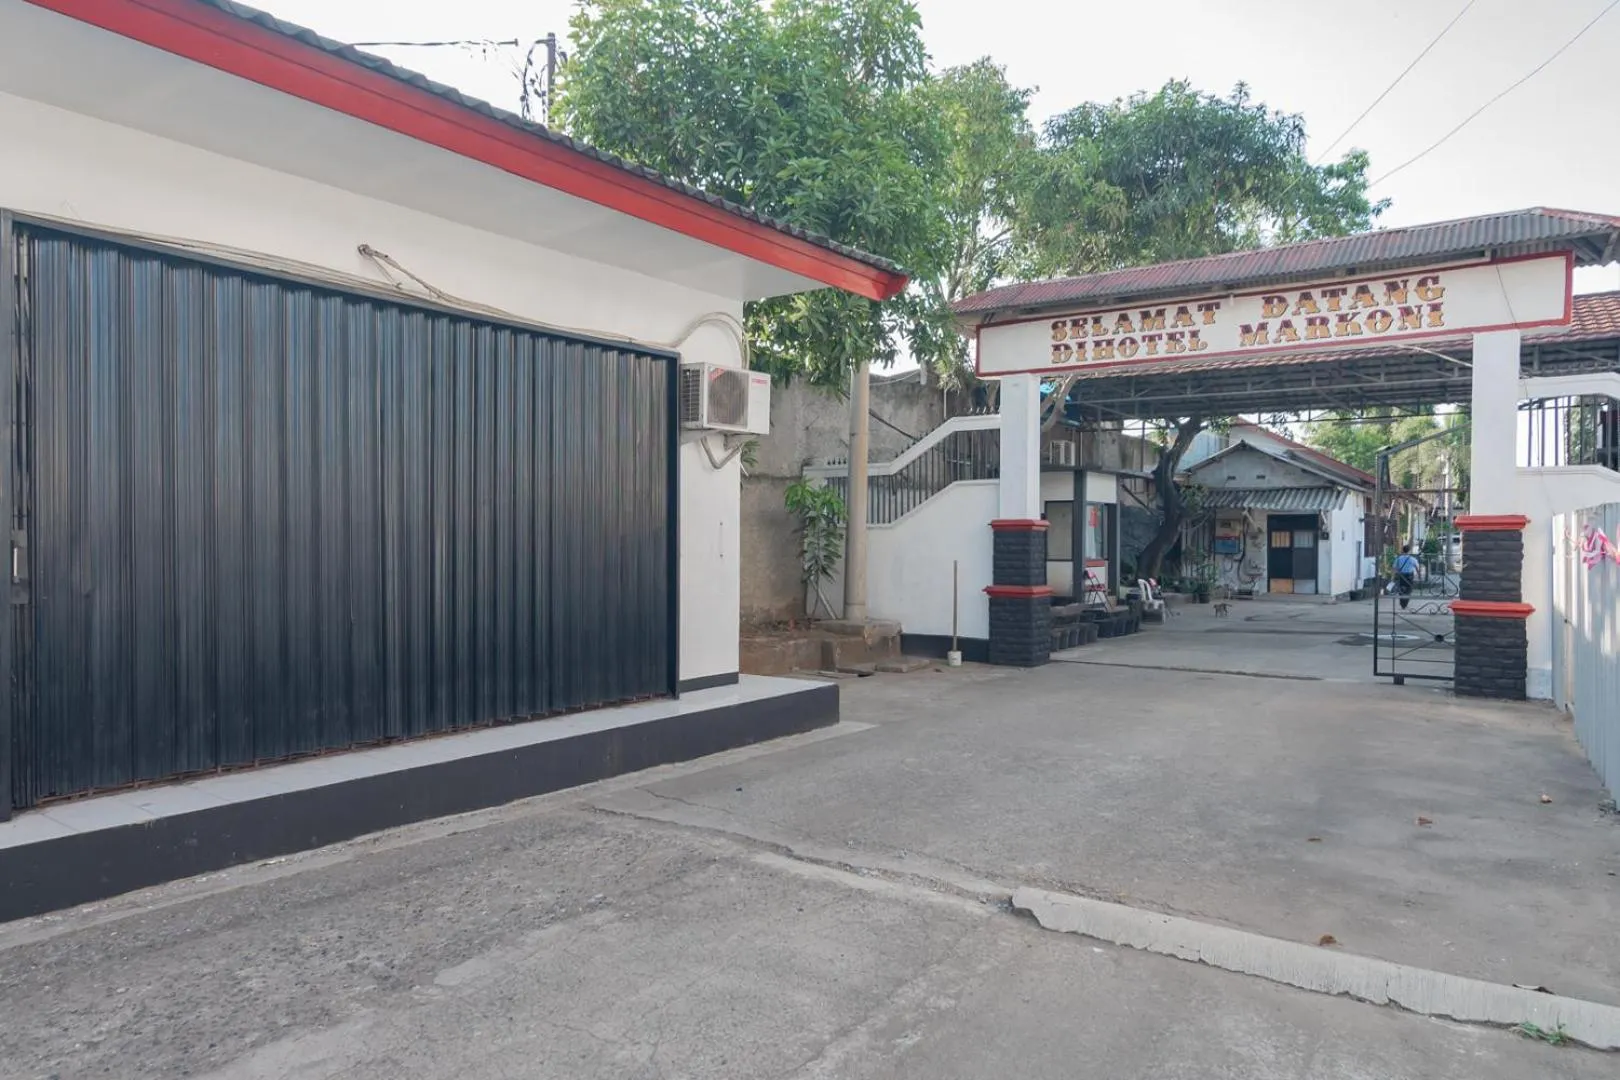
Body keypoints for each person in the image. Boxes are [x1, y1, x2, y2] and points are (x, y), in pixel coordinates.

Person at [1392, 545, 1420, 611]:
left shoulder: (1398, 558)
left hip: (1401, 575)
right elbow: (1417, 568)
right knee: (1408, 590)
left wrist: (1393, 576)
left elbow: (1394, 567)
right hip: (1409, 576)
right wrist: (1419, 576)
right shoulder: (1413, 559)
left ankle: (1402, 603)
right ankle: (1405, 604)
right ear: (1409, 551)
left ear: (1403, 550)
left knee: (1401, 589)